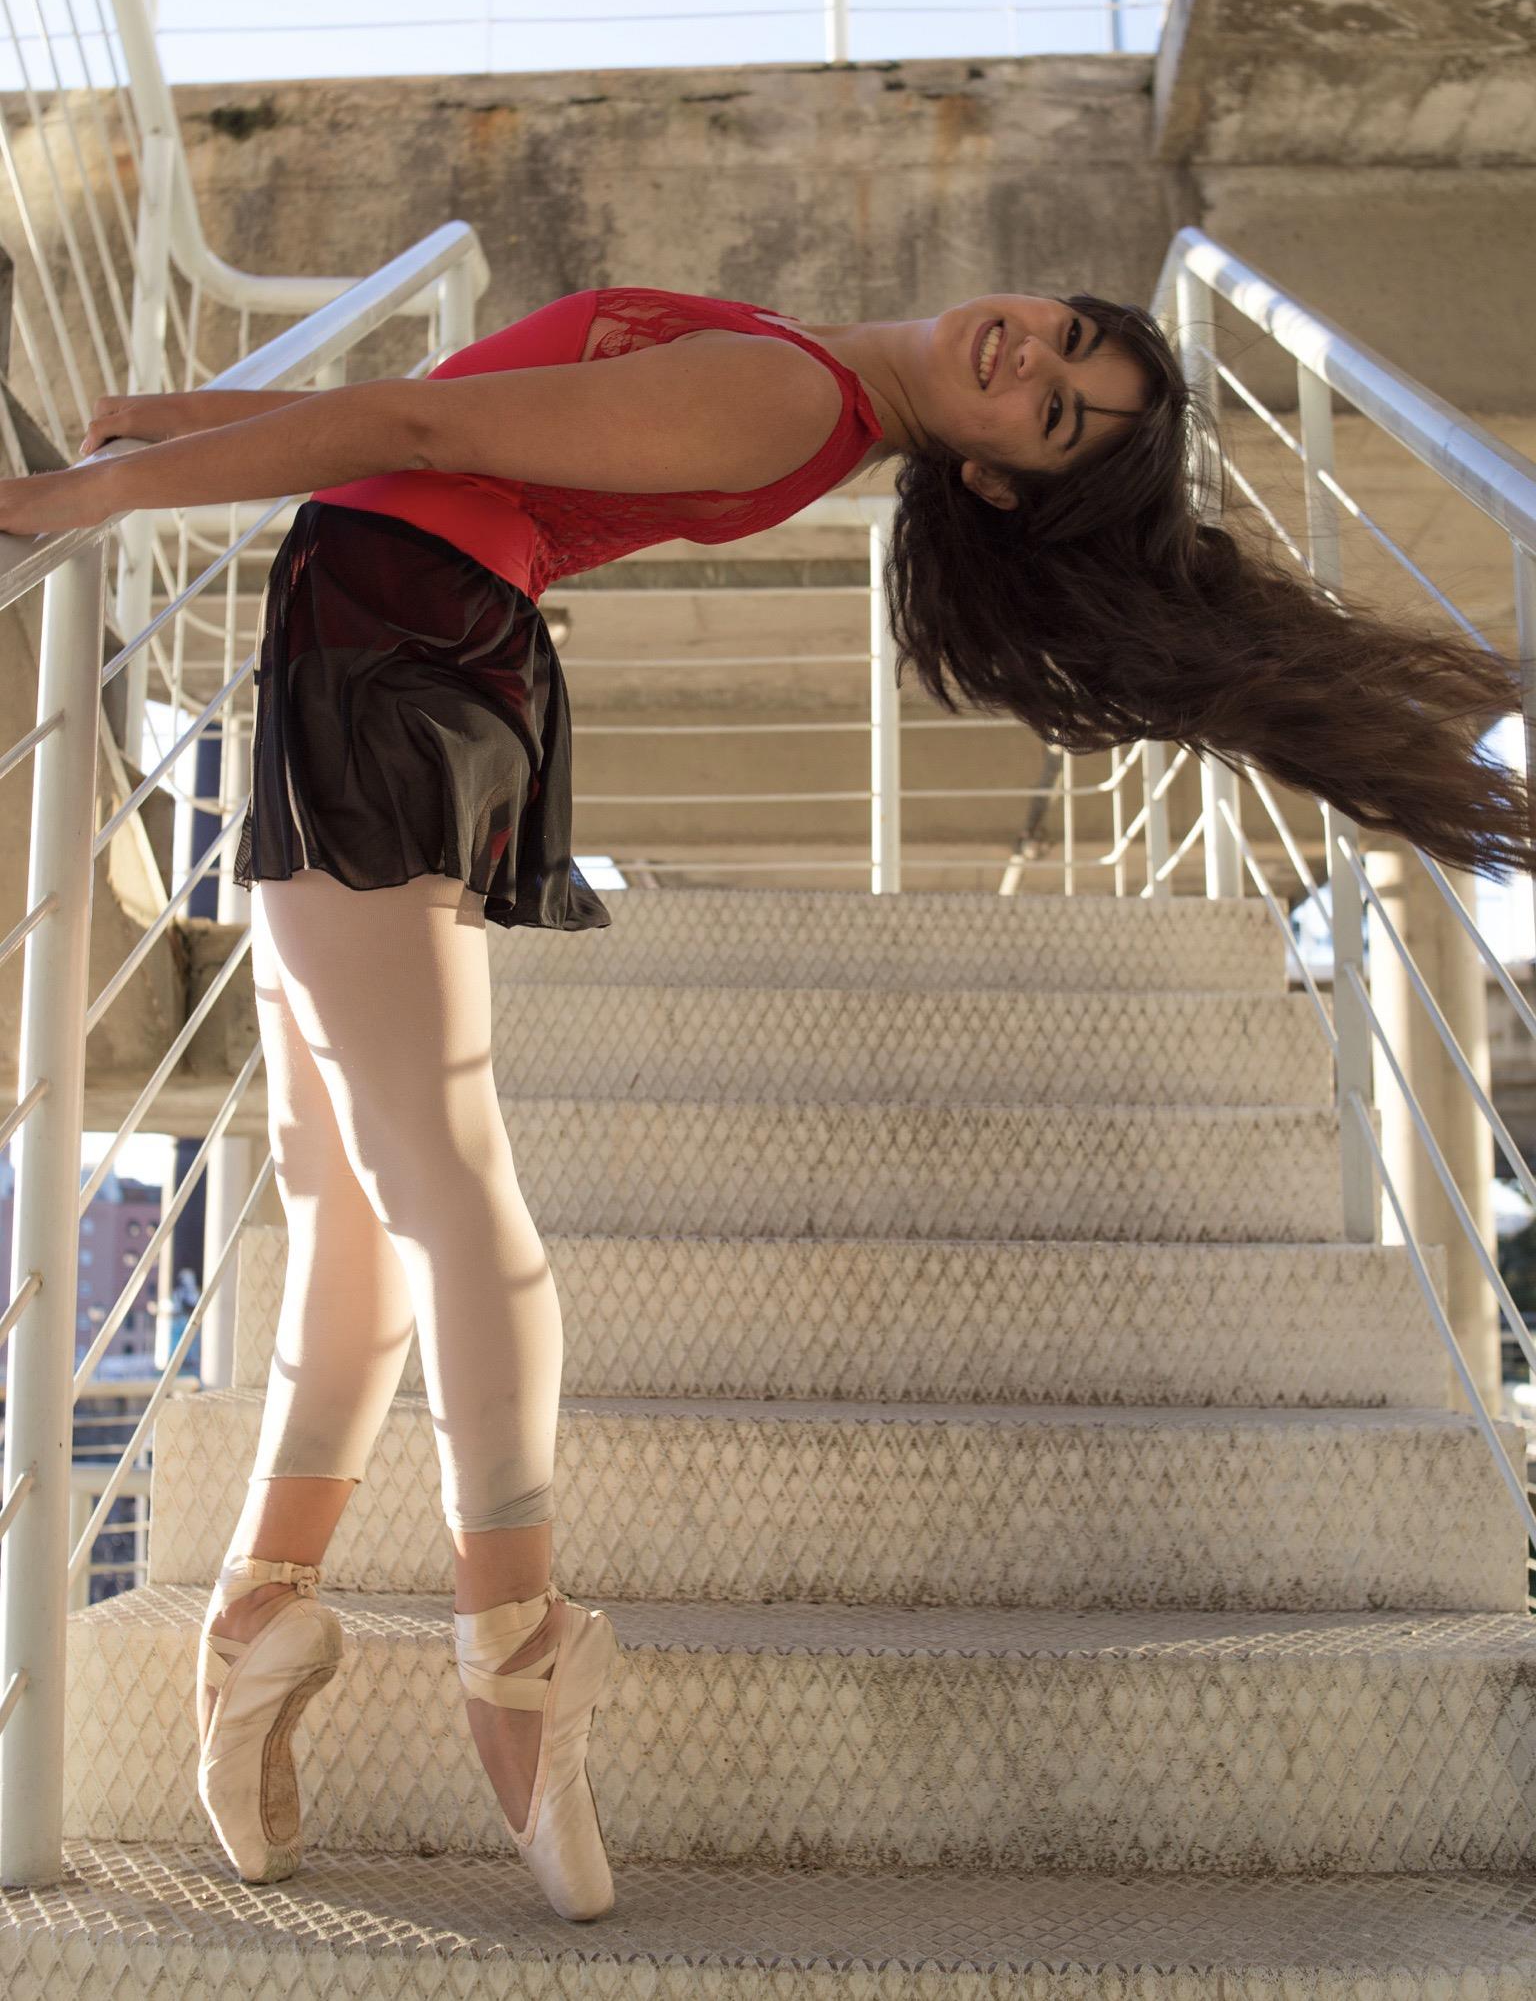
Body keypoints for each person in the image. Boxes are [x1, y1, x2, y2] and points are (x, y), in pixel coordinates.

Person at [2, 282, 1529, 1921]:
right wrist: (183, 426)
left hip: (390, 652)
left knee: (428, 1177)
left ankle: (514, 1646)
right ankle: (266, 1605)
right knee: (344, 1203)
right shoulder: (810, 380)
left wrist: (87, 496)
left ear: (995, 474)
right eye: (1073, 339)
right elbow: (443, 410)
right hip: (381, 632)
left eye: (1057, 411)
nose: (1037, 358)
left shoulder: (794, 403)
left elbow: (427, 423)